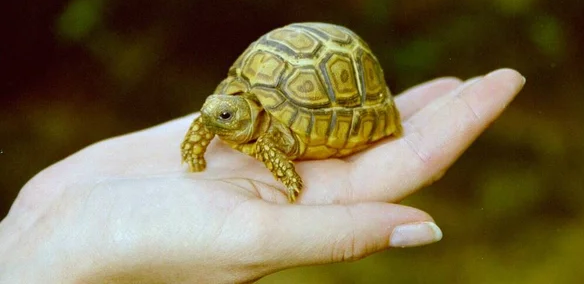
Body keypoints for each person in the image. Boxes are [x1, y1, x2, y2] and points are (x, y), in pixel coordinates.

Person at [0, 68, 524, 283]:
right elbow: (209, 121)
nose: (214, 121)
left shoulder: (268, 129)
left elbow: (271, 145)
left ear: (248, 114)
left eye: (227, 116)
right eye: (215, 113)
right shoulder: (223, 112)